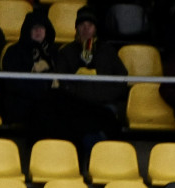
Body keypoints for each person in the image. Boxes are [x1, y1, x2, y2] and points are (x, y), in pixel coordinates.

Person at [52, 5, 128, 157]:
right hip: (77, 106)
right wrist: (80, 93)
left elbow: (122, 78)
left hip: (104, 105)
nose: (86, 29)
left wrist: (103, 95)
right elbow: (61, 81)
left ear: (95, 28)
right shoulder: (66, 52)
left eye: (90, 25)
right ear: (76, 28)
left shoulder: (108, 51)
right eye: (82, 25)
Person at [0, 8, 58, 134]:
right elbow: (13, 84)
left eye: (41, 27)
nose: (38, 31)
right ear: (27, 30)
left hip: (50, 103)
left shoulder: (55, 53)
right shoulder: (14, 52)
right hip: (23, 103)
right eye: (34, 27)